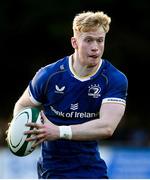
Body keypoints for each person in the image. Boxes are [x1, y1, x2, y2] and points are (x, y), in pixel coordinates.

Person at [9, 11, 128, 179]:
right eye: (88, 40)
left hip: (91, 171)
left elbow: (107, 127)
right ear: (75, 42)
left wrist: (58, 131)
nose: (95, 47)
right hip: (51, 172)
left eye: (100, 40)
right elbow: (22, 105)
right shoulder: (49, 75)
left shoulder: (114, 79)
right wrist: (21, 128)